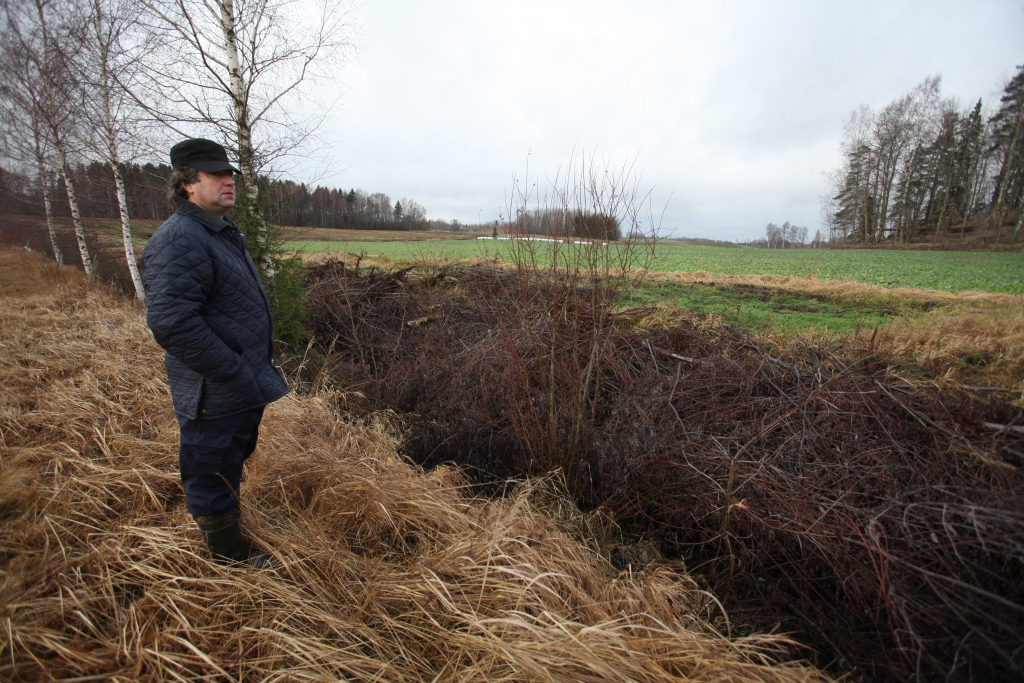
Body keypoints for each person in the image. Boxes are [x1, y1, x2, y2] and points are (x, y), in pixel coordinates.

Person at [141, 138, 289, 568]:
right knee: (210, 471)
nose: (229, 181)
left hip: (233, 387)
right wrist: (235, 371)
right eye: (216, 174)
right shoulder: (180, 239)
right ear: (188, 184)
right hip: (214, 390)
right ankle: (227, 562)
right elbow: (172, 323)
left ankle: (229, 533)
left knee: (227, 463)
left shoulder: (216, 232)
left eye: (230, 174)